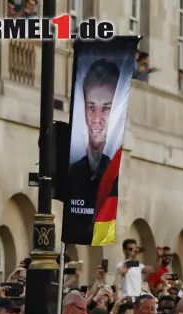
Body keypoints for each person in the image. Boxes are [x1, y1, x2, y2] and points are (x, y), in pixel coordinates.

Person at [66, 58, 121, 243]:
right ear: (84, 110)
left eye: (106, 109)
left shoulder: (113, 172)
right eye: (92, 107)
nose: (97, 118)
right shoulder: (72, 171)